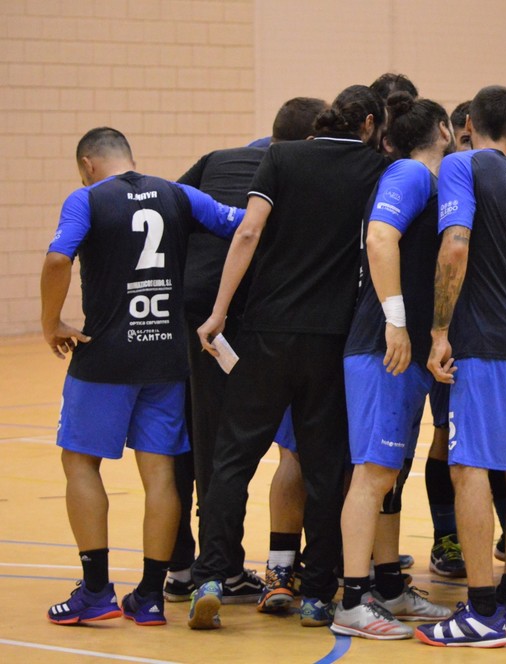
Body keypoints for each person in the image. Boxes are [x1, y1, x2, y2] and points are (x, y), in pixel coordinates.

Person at [187, 85, 387, 630]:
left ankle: (210, 574)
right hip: (330, 341)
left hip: (266, 332)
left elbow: (249, 230)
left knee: (233, 457)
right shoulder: (374, 168)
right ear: (368, 123)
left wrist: (219, 311)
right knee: (325, 470)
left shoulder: (281, 155)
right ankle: (319, 594)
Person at [42, 128, 244, 626]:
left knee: (81, 464)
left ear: (88, 163)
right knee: (159, 475)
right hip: (165, 358)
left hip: (106, 357)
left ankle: (95, 590)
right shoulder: (178, 194)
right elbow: (242, 225)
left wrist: (52, 324)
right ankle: (152, 596)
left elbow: (57, 258)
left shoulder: (86, 198)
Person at [165, 97, 328, 607]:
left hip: (187, 305)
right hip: (242, 311)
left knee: (199, 437)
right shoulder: (298, 171)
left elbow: (171, 206)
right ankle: (229, 571)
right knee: (242, 447)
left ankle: (182, 566)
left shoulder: (218, 158)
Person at [416, 84, 506, 648]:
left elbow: (455, 244)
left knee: (468, 465)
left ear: (468, 124)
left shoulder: (461, 165)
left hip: (490, 338)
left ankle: (477, 611)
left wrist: (440, 329)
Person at [330, 92, 456, 640]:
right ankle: (353, 602)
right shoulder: (411, 173)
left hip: (399, 352)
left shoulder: (418, 178)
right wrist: (397, 322)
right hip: (384, 349)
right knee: (373, 473)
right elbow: (382, 238)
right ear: (446, 131)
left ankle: (387, 587)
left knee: (390, 476)